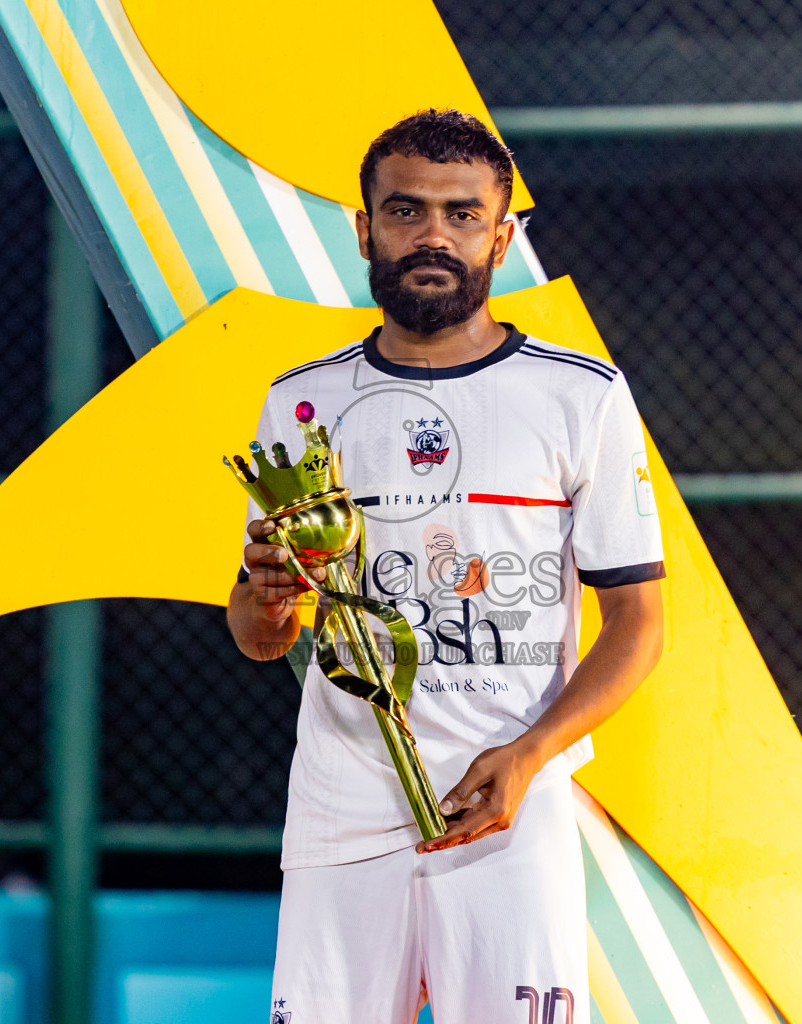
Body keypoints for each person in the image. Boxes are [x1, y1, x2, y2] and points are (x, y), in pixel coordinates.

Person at [227, 109, 664, 1024]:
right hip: (343, 812)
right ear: (365, 230)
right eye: (406, 211)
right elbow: (262, 638)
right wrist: (267, 603)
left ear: (500, 238)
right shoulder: (302, 403)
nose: (433, 235)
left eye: (462, 215)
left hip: (509, 814)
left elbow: (639, 626)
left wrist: (530, 755)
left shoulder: (581, 396)